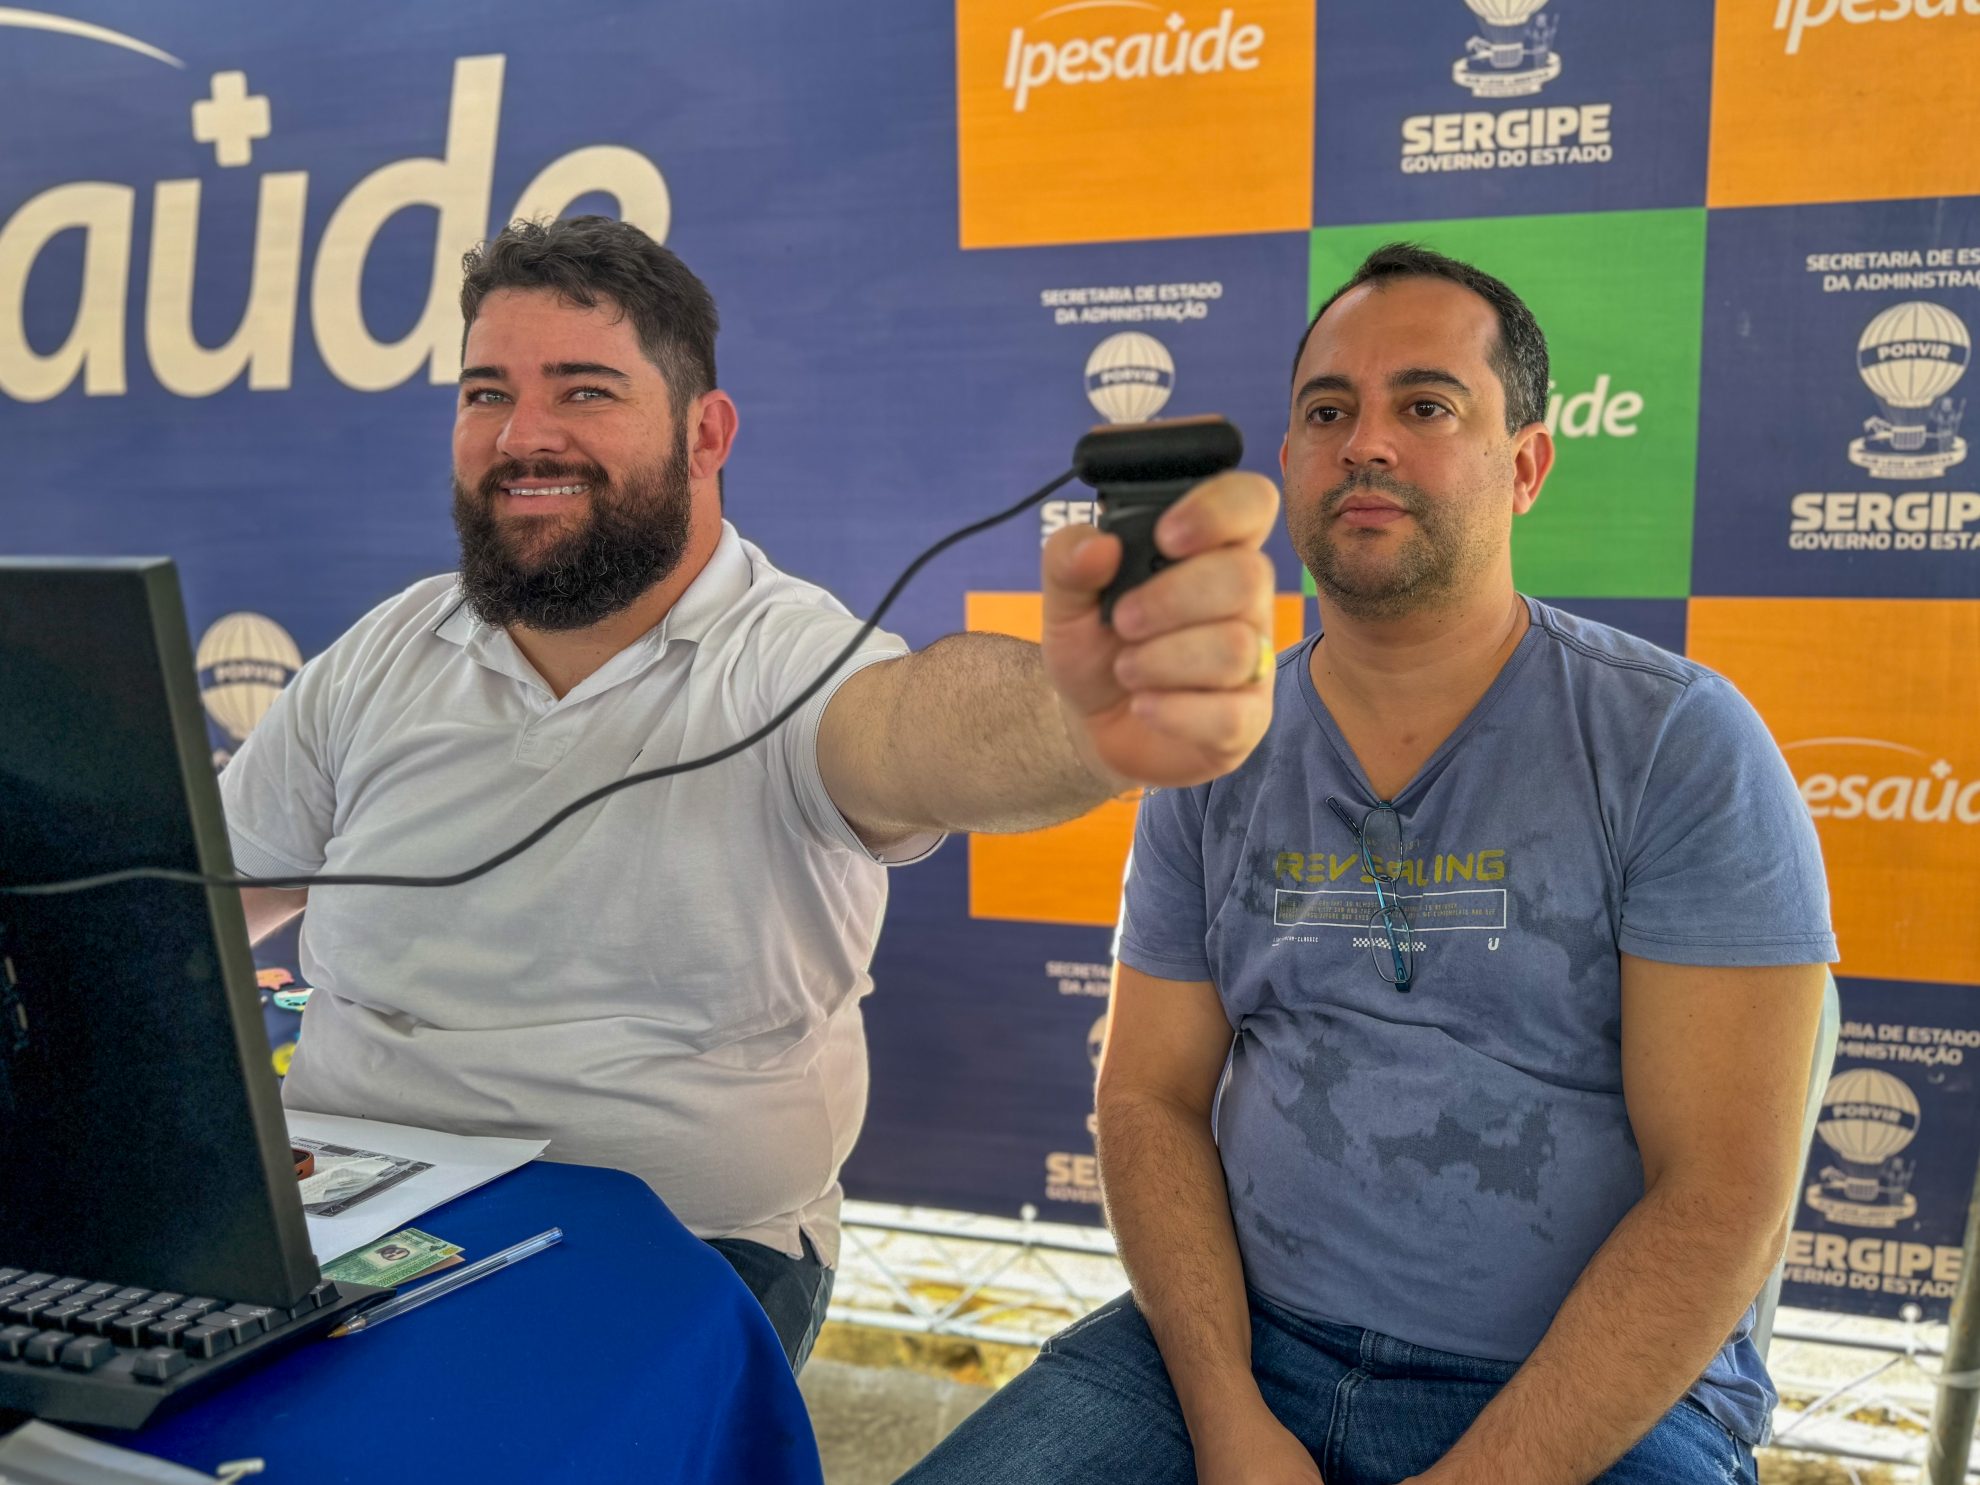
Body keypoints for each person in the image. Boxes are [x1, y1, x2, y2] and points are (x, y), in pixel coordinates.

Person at [221, 215, 1280, 1370]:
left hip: (676, 1244)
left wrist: (1082, 719)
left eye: (584, 391)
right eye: (487, 395)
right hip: (343, 1207)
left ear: (706, 434)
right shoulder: (385, 650)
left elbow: (917, 732)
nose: (522, 436)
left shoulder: (790, 656)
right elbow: (194, 902)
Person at [901, 243, 1836, 1483]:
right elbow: (1147, 1100)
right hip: (1238, 1355)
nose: (1367, 445)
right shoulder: (1211, 741)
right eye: (1328, 412)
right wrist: (1229, 1416)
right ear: (1289, 461)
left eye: (1427, 407)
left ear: (1526, 466)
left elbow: (1723, 1195)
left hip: (1596, 1397)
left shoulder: (1675, 742)